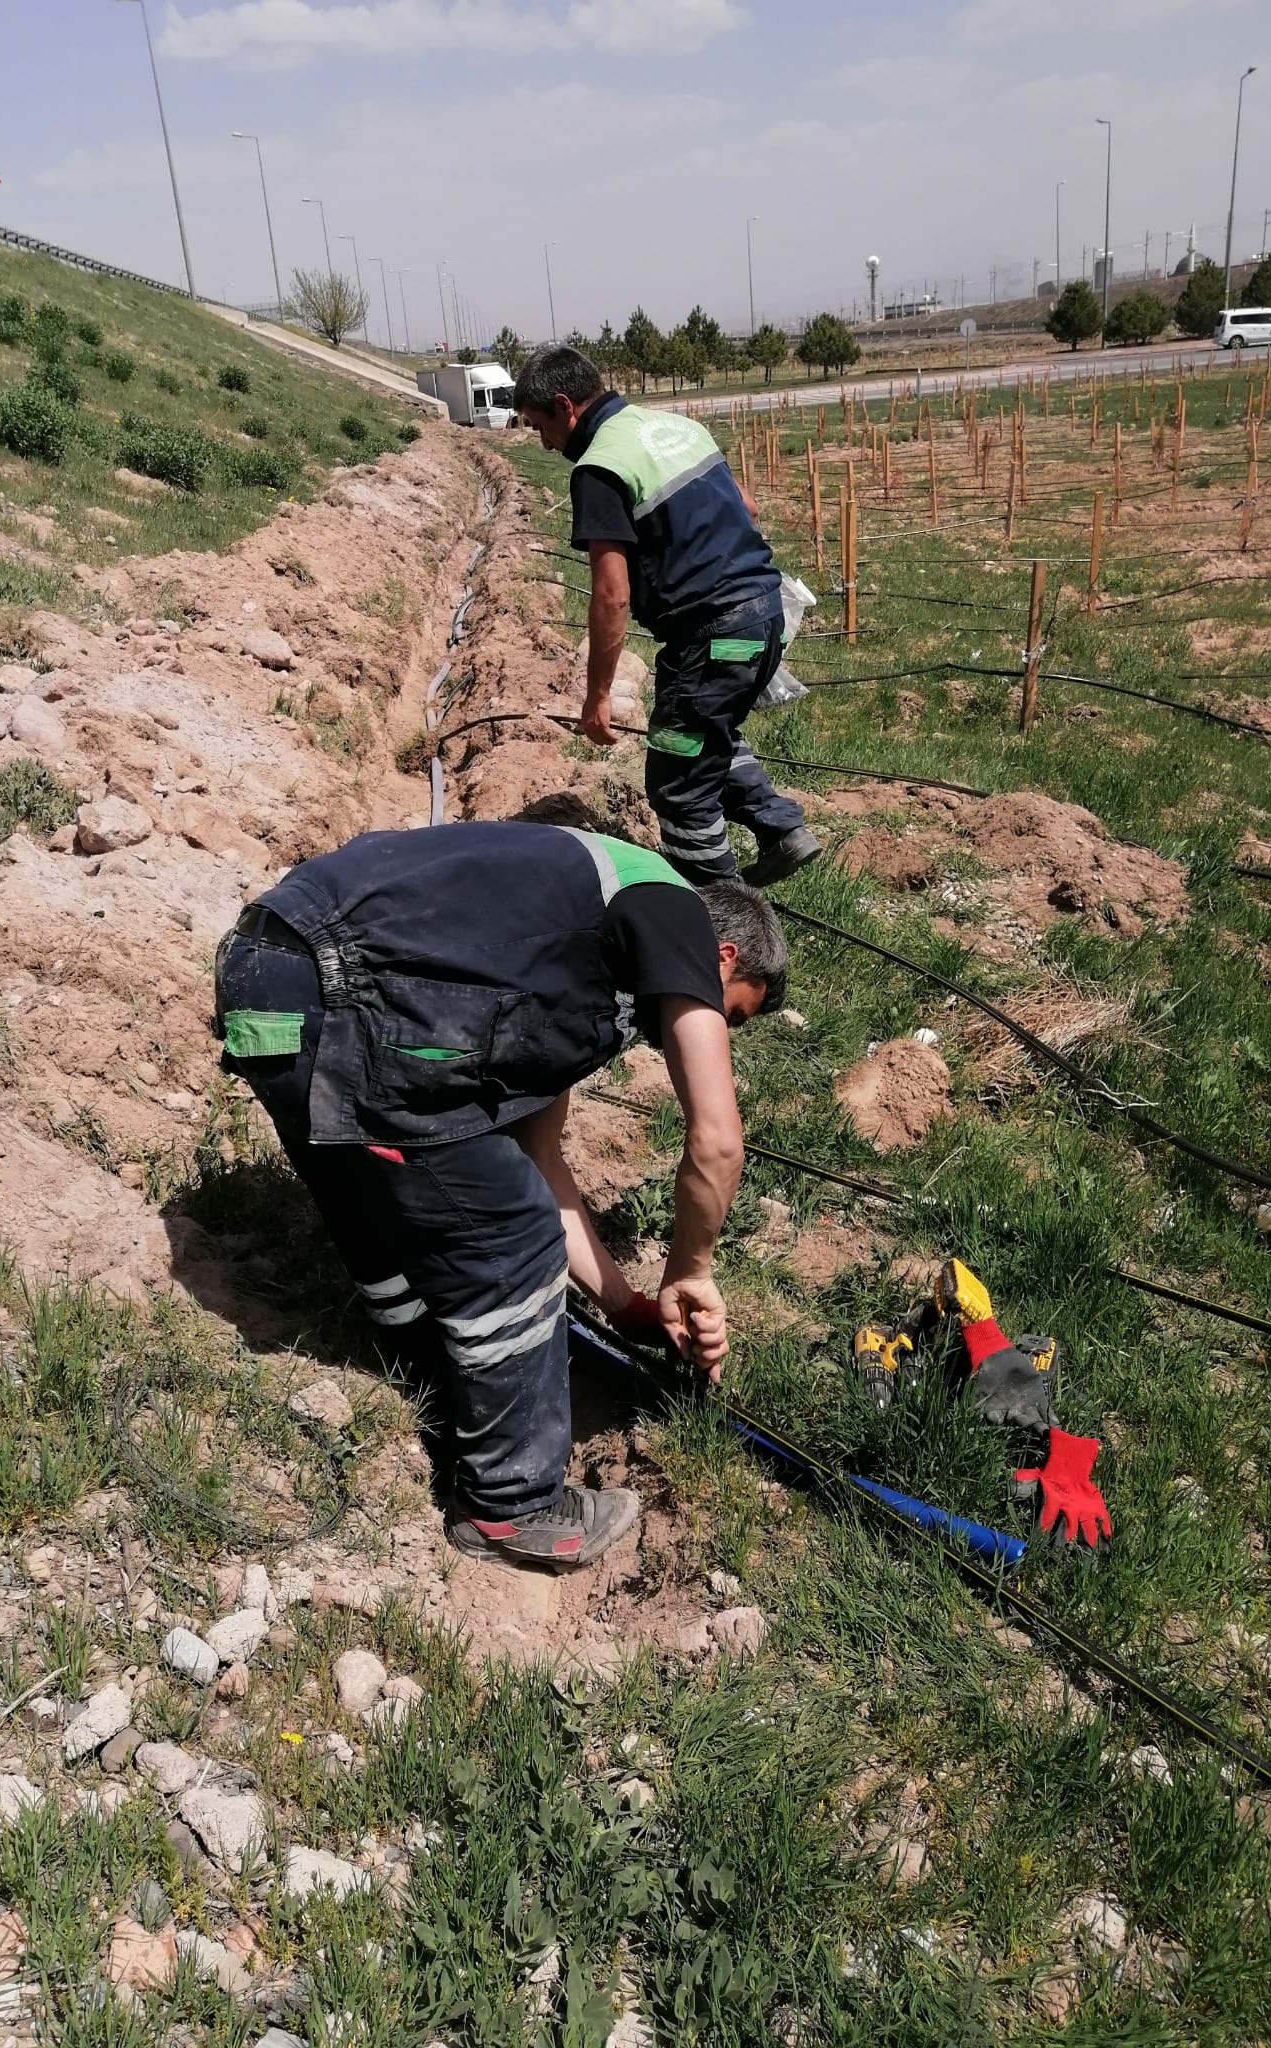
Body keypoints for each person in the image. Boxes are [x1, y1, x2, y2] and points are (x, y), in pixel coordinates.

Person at [214, 820, 787, 1570]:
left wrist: (627, 1308)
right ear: (723, 957)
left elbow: (539, 1156)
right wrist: (690, 1271)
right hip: (342, 996)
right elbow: (717, 1141)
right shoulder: (671, 906)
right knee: (511, 1238)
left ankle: (423, 1378)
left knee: (390, 1205)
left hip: (266, 981)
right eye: (729, 1011)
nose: (712, 1026)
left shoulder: (564, 944)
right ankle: (511, 1509)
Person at [514, 343, 822, 889]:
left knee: (678, 784)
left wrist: (597, 696)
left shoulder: (599, 467)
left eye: (541, 426)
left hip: (714, 635)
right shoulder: (677, 428)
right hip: (766, 612)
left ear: (565, 406)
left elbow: (611, 596)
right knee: (705, 734)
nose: (543, 442)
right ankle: (781, 829)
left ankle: (723, 913)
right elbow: (748, 508)